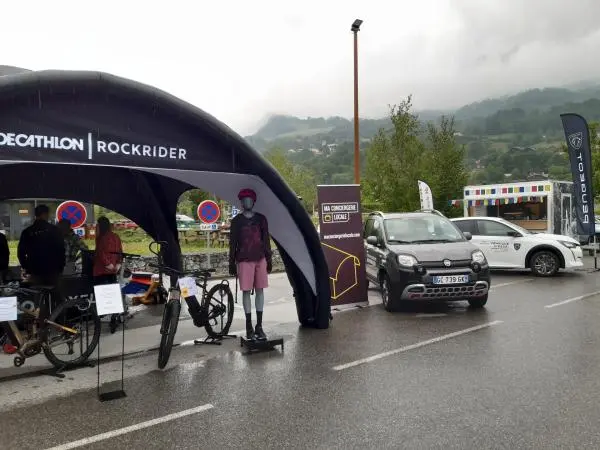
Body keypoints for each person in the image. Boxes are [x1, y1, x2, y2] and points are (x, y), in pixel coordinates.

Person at [228, 188, 272, 341]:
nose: (247, 202)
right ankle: (248, 327)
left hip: (260, 258)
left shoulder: (261, 219)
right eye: (244, 200)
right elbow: (233, 242)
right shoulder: (237, 221)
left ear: (254, 201)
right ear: (241, 202)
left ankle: (259, 326)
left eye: (250, 199)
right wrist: (231, 261)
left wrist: (269, 258)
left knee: (260, 290)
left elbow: (266, 240)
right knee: (246, 291)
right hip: (244, 259)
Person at [17, 204, 65, 286]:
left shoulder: (27, 232)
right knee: (53, 292)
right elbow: (61, 250)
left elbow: (20, 253)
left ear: (36, 215)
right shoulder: (55, 230)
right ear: (45, 214)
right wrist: (60, 267)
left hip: (34, 271)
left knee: (36, 292)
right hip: (53, 270)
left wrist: (27, 267)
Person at [93, 217, 123, 285]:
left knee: (101, 289)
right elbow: (120, 251)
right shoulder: (116, 236)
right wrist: (119, 263)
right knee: (112, 288)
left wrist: (108, 264)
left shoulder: (101, 237)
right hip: (114, 268)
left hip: (102, 269)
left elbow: (100, 252)